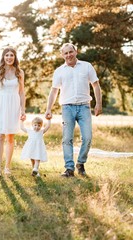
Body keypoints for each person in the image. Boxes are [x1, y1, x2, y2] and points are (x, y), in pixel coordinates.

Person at [45, 43, 102, 177]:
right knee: (67, 139)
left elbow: (96, 85)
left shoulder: (87, 66)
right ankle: (69, 168)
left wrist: (98, 103)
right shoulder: (59, 71)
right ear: (62, 55)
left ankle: (80, 163)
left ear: (76, 52)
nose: (69, 55)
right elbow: (54, 91)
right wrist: (48, 108)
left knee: (87, 137)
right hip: (67, 108)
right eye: (66, 53)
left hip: (84, 107)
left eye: (71, 52)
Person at [0, 47, 26, 176]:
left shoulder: (20, 72)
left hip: (14, 104)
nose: (9, 57)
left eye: (11, 55)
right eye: (7, 55)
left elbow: (22, 92)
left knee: (11, 137)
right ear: (3, 57)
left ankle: (7, 167)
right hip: (1, 104)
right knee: (0, 136)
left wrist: (23, 109)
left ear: (15, 57)